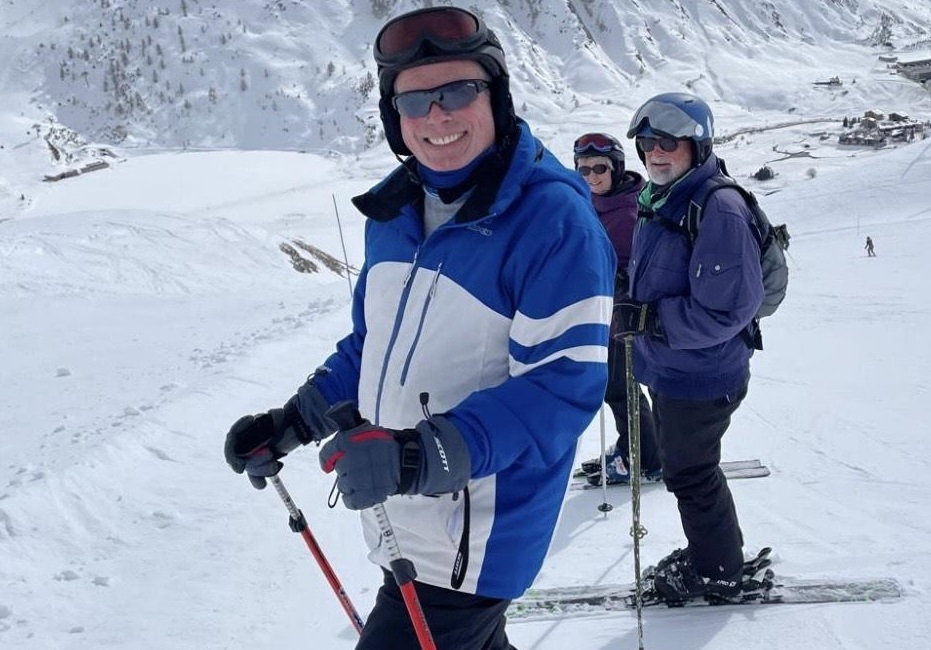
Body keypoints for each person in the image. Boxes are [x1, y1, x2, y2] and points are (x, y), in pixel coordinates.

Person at [223, 6, 615, 649]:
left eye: (458, 91)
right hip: (406, 522)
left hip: (475, 540)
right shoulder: (395, 213)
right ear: (393, 116)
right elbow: (370, 346)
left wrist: (418, 455)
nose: (437, 116)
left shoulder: (552, 220)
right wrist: (291, 423)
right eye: (415, 99)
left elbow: (561, 390)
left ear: (497, 97)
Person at [615, 92, 765, 603]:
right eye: (646, 143)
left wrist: (651, 319)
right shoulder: (664, 199)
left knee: (691, 473)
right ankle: (716, 557)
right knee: (691, 465)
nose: (655, 153)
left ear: (697, 145)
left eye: (667, 142)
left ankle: (719, 570)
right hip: (678, 368)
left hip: (702, 377)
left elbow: (726, 311)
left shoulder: (717, 208)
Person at [572, 132, 662, 486]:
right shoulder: (599, 202)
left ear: (616, 168)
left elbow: (632, 268)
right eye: (584, 170)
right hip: (605, 315)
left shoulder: (624, 212)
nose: (592, 177)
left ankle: (643, 457)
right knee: (621, 388)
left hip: (622, 316)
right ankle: (637, 448)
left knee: (620, 389)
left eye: (599, 168)